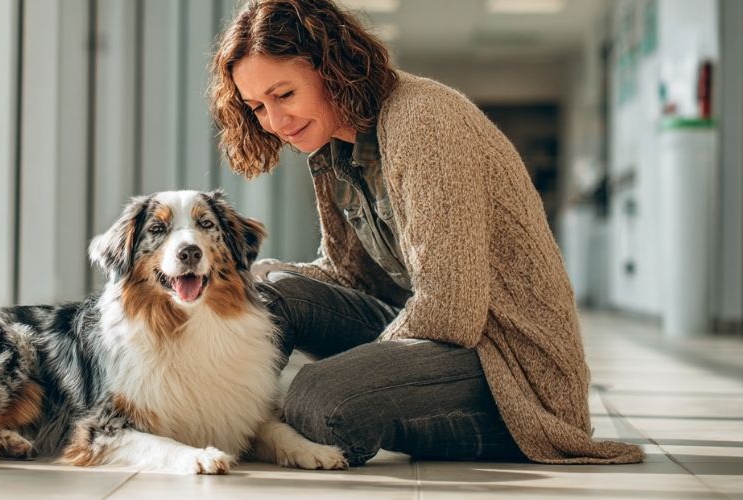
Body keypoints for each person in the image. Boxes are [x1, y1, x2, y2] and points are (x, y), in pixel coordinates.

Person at [207, 0, 643, 466]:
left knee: (320, 396)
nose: (274, 121)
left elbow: (452, 311)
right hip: (436, 339)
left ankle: (298, 415)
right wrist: (272, 276)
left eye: (285, 95)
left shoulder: (423, 121)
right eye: (257, 106)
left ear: (330, 68)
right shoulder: (335, 148)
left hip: (509, 371)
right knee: (267, 292)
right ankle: (212, 425)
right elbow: (348, 274)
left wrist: (364, 370)